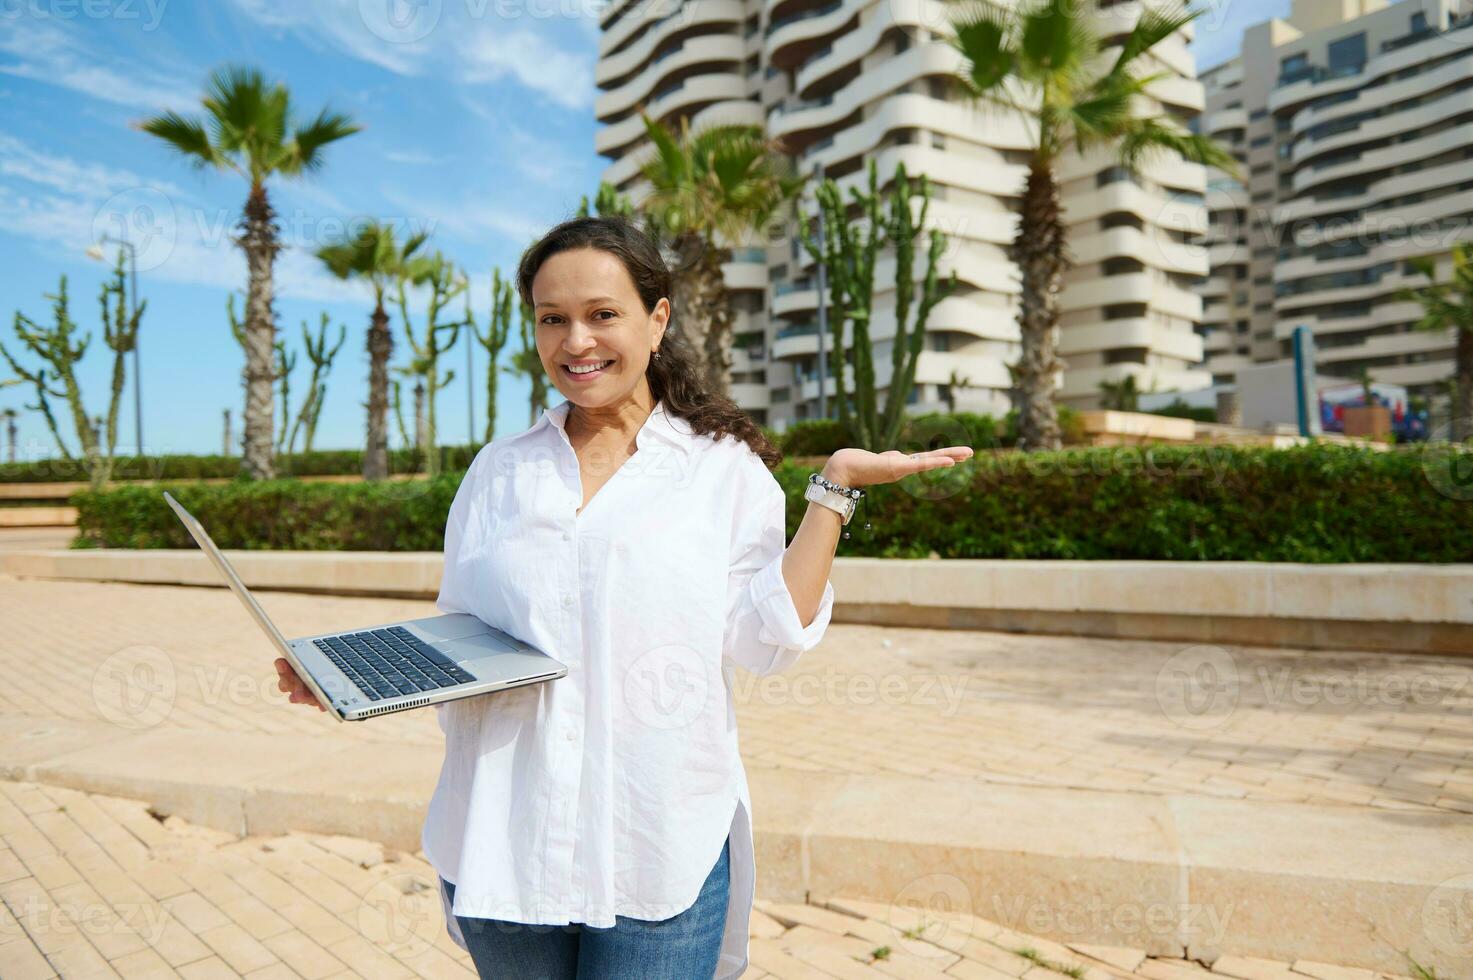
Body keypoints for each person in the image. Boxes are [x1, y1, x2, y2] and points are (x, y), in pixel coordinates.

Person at [275, 214, 972, 978]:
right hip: (505, 834)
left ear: (656, 319)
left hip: (657, 843)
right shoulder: (497, 472)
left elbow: (765, 638)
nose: (576, 342)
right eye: (552, 319)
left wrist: (832, 492)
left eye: (602, 314)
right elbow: (466, 631)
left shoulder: (722, 470)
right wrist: (353, 673)